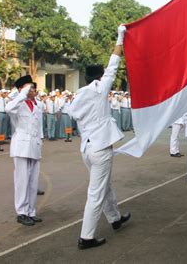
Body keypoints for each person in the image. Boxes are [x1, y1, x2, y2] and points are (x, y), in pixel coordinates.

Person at [69, 25, 130, 250]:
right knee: (96, 193)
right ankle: (86, 237)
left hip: (86, 148)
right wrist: (120, 37)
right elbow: (113, 65)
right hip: (101, 148)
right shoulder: (100, 89)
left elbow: (71, 113)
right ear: (98, 77)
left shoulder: (78, 95)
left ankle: (114, 219)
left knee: (106, 186)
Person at [6, 76, 44, 226]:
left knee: (33, 180)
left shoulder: (38, 104)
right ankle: (21, 212)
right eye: (30, 87)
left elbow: (39, 125)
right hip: (21, 145)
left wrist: (41, 140)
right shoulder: (17, 104)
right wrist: (22, 94)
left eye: (33, 87)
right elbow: (8, 108)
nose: (33, 90)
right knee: (22, 180)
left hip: (34, 144)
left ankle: (31, 211)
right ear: (22, 89)